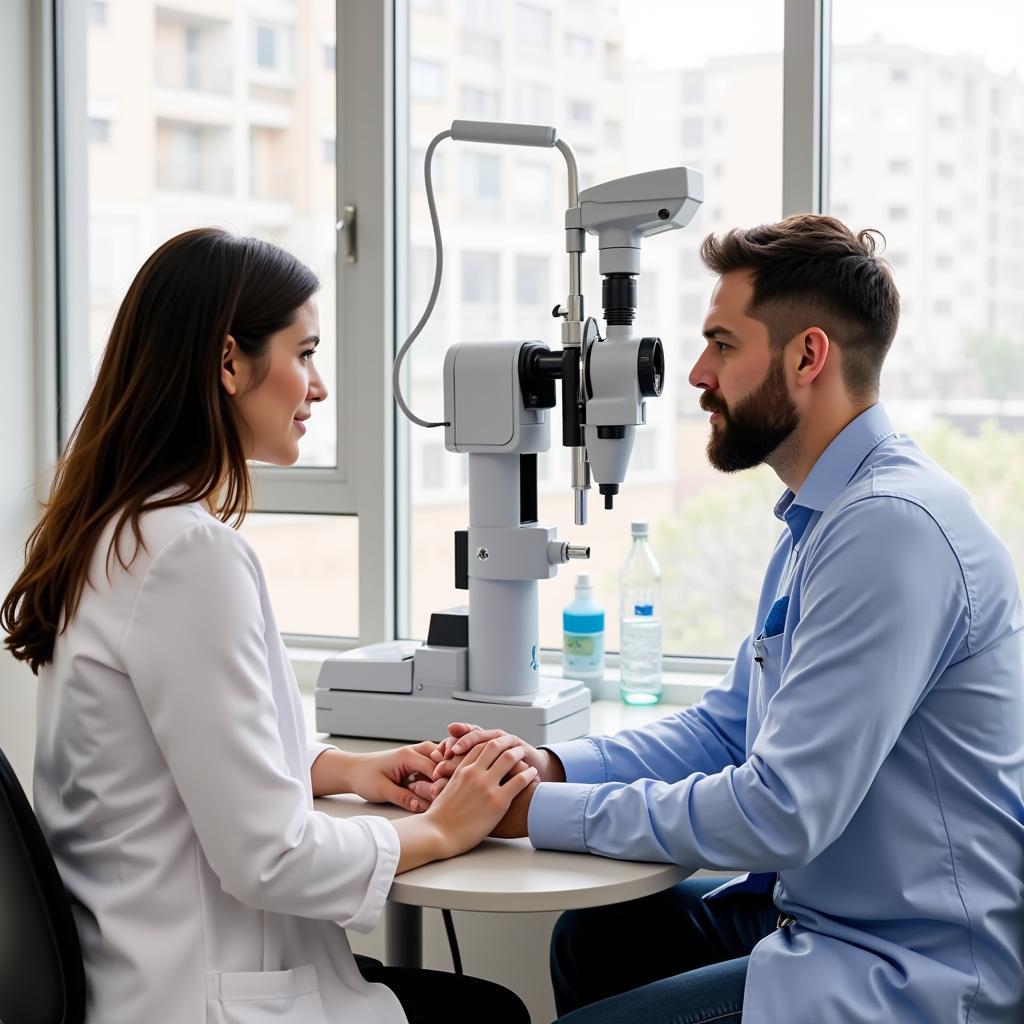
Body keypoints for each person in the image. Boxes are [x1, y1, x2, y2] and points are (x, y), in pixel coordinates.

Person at [421, 215, 1024, 1023]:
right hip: (829, 912)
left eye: (723, 344)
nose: (698, 372)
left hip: (912, 965)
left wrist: (539, 814)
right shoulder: (826, 517)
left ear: (808, 356)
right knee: (594, 939)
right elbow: (726, 730)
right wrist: (553, 767)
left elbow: (782, 809)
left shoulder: (890, 528)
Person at [1, 228, 533, 1024]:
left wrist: (347, 769)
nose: (316, 387)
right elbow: (271, 859)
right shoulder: (190, 557)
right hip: (203, 998)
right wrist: (441, 830)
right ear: (228, 363)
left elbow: (174, 756)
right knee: (492, 1012)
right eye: (305, 352)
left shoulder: (115, 531)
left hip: (137, 973)